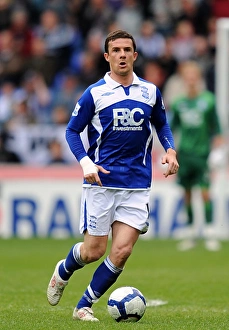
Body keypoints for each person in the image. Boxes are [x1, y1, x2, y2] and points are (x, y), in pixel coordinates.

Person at [47, 29, 179, 322]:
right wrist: (85, 163)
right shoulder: (95, 93)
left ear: (135, 55)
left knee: (121, 251)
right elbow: (71, 131)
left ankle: (83, 306)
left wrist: (169, 150)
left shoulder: (150, 91)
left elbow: (162, 125)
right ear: (107, 56)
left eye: (126, 49)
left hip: (137, 184)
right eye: (116, 50)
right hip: (101, 182)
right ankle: (64, 269)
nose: (122, 54)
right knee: (94, 251)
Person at [170, 61, 222, 252]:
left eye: (194, 76)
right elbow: (171, 129)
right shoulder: (178, 103)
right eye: (188, 76)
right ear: (184, 79)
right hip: (185, 154)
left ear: (198, 78)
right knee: (187, 194)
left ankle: (209, 233)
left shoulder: (208, 100)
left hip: (202, 154)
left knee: (206, 192)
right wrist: (168, 152)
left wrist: (217, 151)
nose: (191, 80)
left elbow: (216, 128)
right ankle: (191, 232)